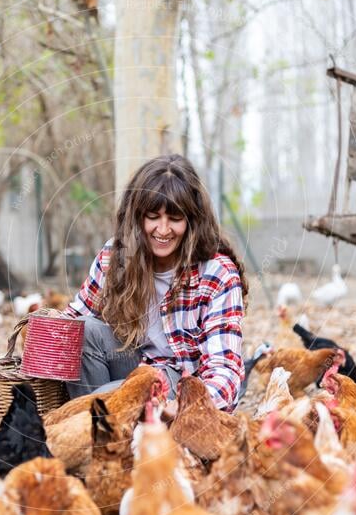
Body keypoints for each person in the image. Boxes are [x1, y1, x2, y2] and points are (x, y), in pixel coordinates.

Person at [62, 154, 247, 413]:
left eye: (174, 218)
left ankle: (105, 425)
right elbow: (73, 317)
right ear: (137, 217)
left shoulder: (217, 273)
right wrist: (31, 349)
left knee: (104, 400)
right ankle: (101, 436)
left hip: (180, 379)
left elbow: (224, 369)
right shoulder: (115, 256)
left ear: (192, 220)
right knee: (80, 331)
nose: (162, 229)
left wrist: (184, 407)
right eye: (152, 216)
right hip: (132, 362)